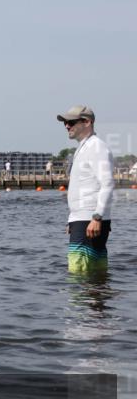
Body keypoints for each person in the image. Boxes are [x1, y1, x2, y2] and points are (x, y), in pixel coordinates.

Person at [58, 105, 114, 273]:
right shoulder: (84, 147)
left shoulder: (97, 147)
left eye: (72, 122)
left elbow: (108, 183)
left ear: (87, 122)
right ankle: (98, 298)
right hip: (82, 219)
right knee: (94, 275)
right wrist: (72, 218)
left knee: (79, 274)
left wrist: (96, 218)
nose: (67, 126)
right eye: (65, 123)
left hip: (90, 219)